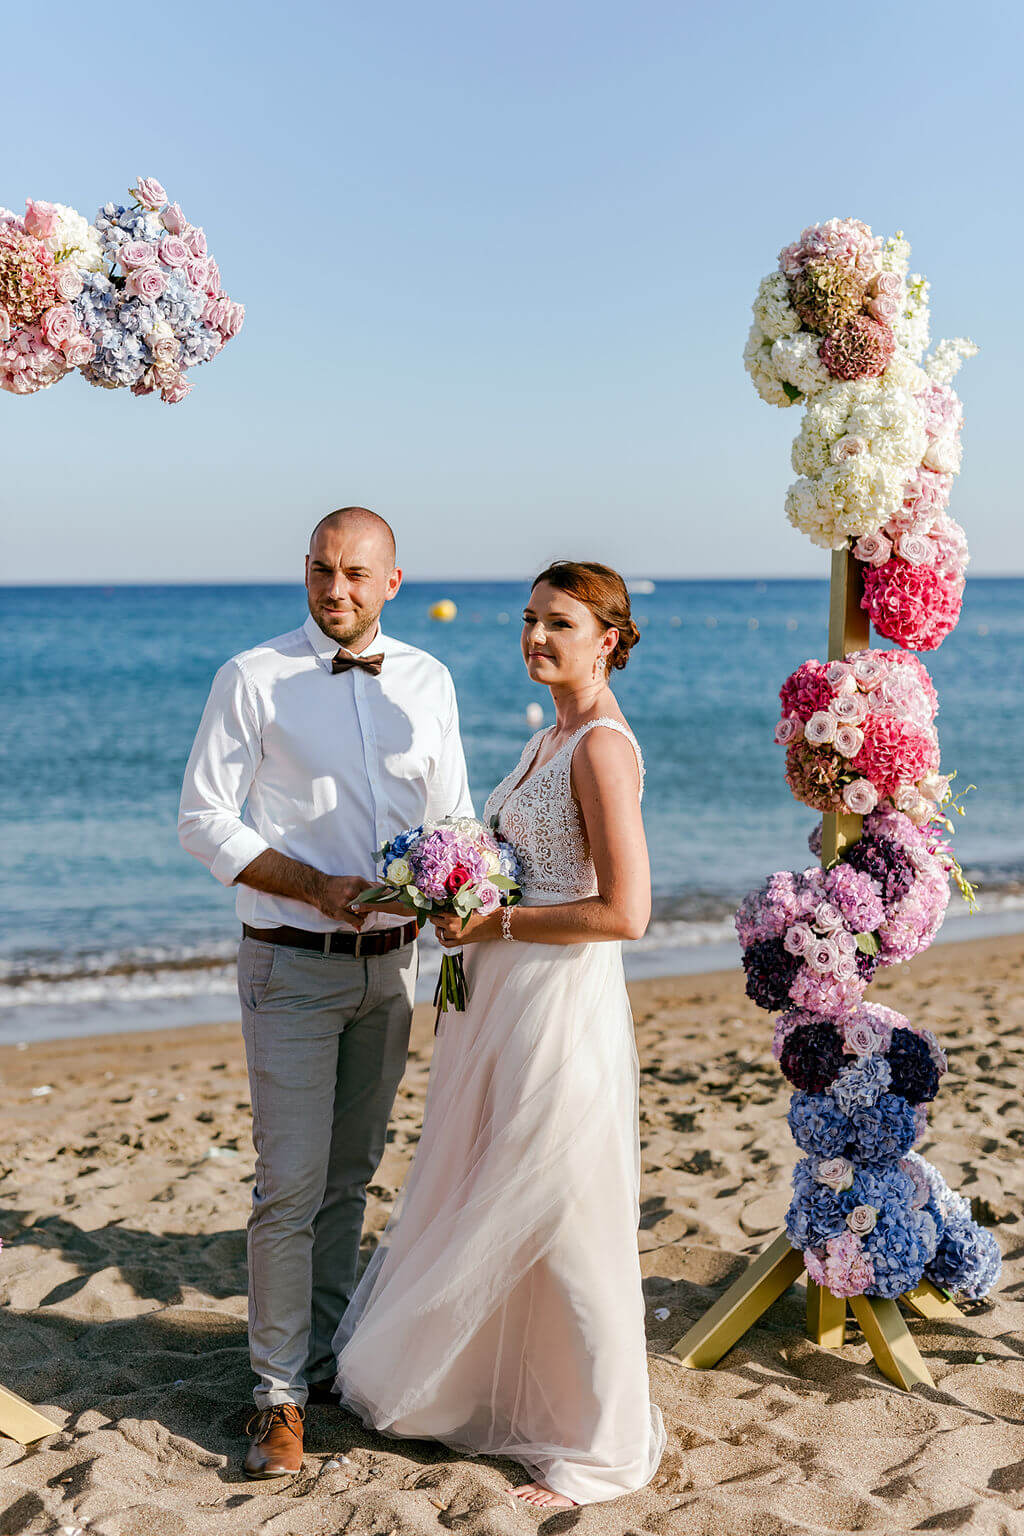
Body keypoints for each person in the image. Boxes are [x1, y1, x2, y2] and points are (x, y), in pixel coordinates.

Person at [334, 559, 666, 1508]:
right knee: (496, 1189)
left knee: (562, 1204)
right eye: (529, 619)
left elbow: (626, 911)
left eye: (560, 623)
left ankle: (599, 1443)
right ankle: (494, 1390)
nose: (536, 637)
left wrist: (496, 922)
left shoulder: (601, 747)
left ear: (608, 640)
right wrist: (458, 899)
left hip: (558, 1001)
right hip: (502, 995)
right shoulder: (546, 739)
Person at [178, 507, 473, 1478]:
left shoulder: (428, 680)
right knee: (289, 1189)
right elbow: (202, 819)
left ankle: (326, 1365)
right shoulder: (251, 677)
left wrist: (463, 900)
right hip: (288, 966)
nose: (335, 590)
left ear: (393, 582)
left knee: (351, 1180)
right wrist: (310, 885)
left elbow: (454, 820)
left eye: (354, 574)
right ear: (304, 570)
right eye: (320, 570)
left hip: (394, 969)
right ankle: (276, 1397)